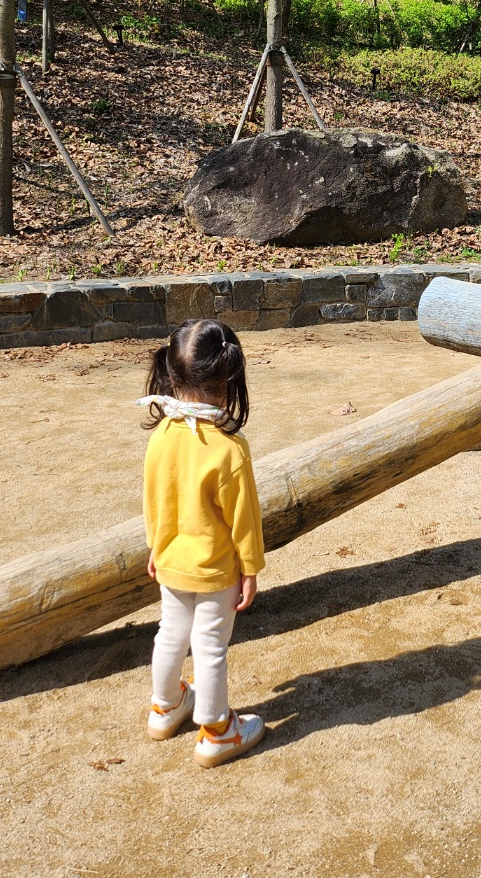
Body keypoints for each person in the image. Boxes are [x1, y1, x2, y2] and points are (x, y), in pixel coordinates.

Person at [139, 317, 266, 768]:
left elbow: (155, 498)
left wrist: (155, 545)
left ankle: (165, 705)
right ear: (230, 378)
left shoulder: (162, 436)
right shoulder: (229, 448)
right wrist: (250, 567)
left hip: (170, 558)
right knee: (210, 646)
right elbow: (244, 519)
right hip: (215, 569)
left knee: (170, 633)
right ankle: (216, 730)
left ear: (171, 374)